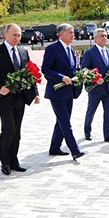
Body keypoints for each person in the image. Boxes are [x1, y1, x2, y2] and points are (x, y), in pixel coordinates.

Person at [0, 24, 40, 175]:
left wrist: (35, 93)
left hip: (20, 98)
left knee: (17, 132)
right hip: (4, 98)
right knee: (9, 129)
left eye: (19, 35)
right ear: (5, 34)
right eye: (14, 35)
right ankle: (5, 162)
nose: (17, 38)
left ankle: (14, 160)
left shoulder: (23, 51)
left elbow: (30, 73)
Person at [42, 23, 84, 160]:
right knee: (65, 121)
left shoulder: (71, 50)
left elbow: (73, 69)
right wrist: (61, 77)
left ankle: (54, 147)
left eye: (73, 33)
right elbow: (46, 69)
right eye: (70, 33)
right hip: (56, 92)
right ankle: (75, 150)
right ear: (61, 34)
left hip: (69, 92)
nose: (73, 35)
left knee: (62, 120)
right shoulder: (52, 49)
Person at [81, 28, 109, 143]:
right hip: (95, 89)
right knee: (91, 111)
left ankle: (108, 135)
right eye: (102, 35)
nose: (104, 38)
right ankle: (87, 131)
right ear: (95, 38)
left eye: (106, 35)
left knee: (108, 112)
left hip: (108, 88)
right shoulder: (90, 53)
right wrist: (95, 79)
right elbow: (84, 70)